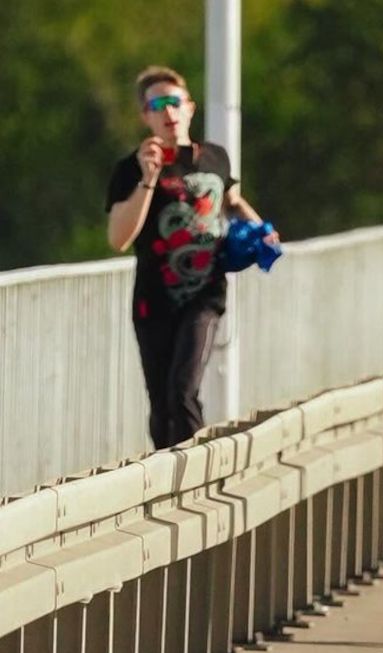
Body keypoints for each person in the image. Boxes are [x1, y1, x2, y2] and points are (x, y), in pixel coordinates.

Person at [106, 65, 277, 449]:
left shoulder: (214, 158)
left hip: (204, 293)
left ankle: (191, 485)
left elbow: (230, 201)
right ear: (145, 116)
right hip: (154, 299)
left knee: (183, 391)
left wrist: (263, 231)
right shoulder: (130, 168)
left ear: (190, 108)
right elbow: (119, 238)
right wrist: (148, 178)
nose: (168, 112)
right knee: (162, 402)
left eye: (175, 102)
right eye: (158, 105)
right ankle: (163, 479)